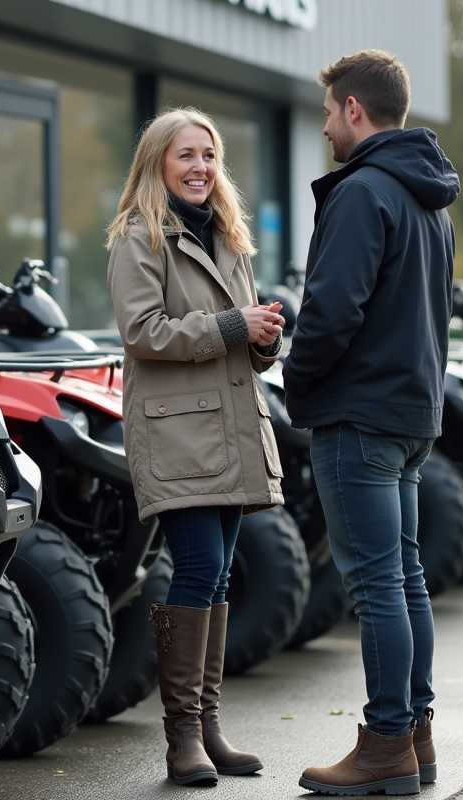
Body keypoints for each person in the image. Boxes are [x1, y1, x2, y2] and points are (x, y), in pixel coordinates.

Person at [281, 50, 459, 796]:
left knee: (379, 582)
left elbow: (331, 311)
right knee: (404, 578)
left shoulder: (363, 192)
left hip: (359, 417)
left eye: (327, 111)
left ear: (355, 108)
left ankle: (386, 741)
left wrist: (294, 375)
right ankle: (412, 734)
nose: (323, 126)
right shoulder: (430, 199)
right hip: (411, 414)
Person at [106, 107, 286, 787]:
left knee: (216, 574)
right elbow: (144, 332)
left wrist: (265, 337)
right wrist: (232, 324)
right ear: (157, 163)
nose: (201, 168)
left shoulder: (230, 239)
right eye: (186, 155)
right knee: (197, 566)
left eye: (209, 156)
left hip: (231, 427)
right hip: (177, 432)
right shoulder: (137, 236)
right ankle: (181, 736)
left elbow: (238, 344)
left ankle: (208, 728)